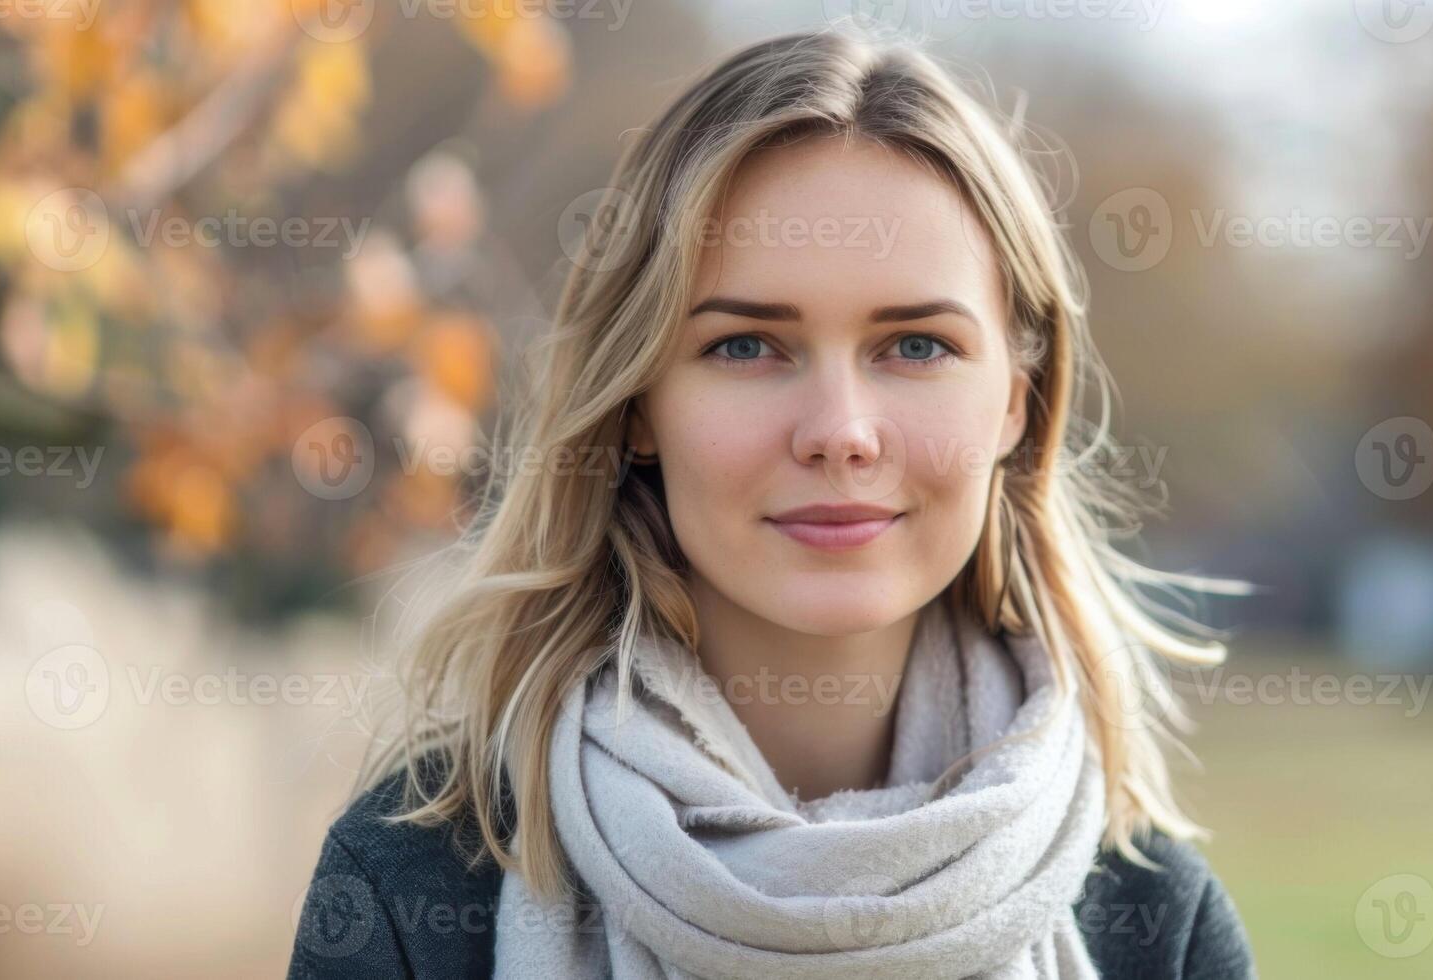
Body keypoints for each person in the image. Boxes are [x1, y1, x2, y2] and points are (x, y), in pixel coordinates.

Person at [291, 26, 1256, 980]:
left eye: (915, 346)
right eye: (746, 346)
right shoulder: (415, 893)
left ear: (1015, 401)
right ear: (637, 406)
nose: (840, 431)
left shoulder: (1151, 922)